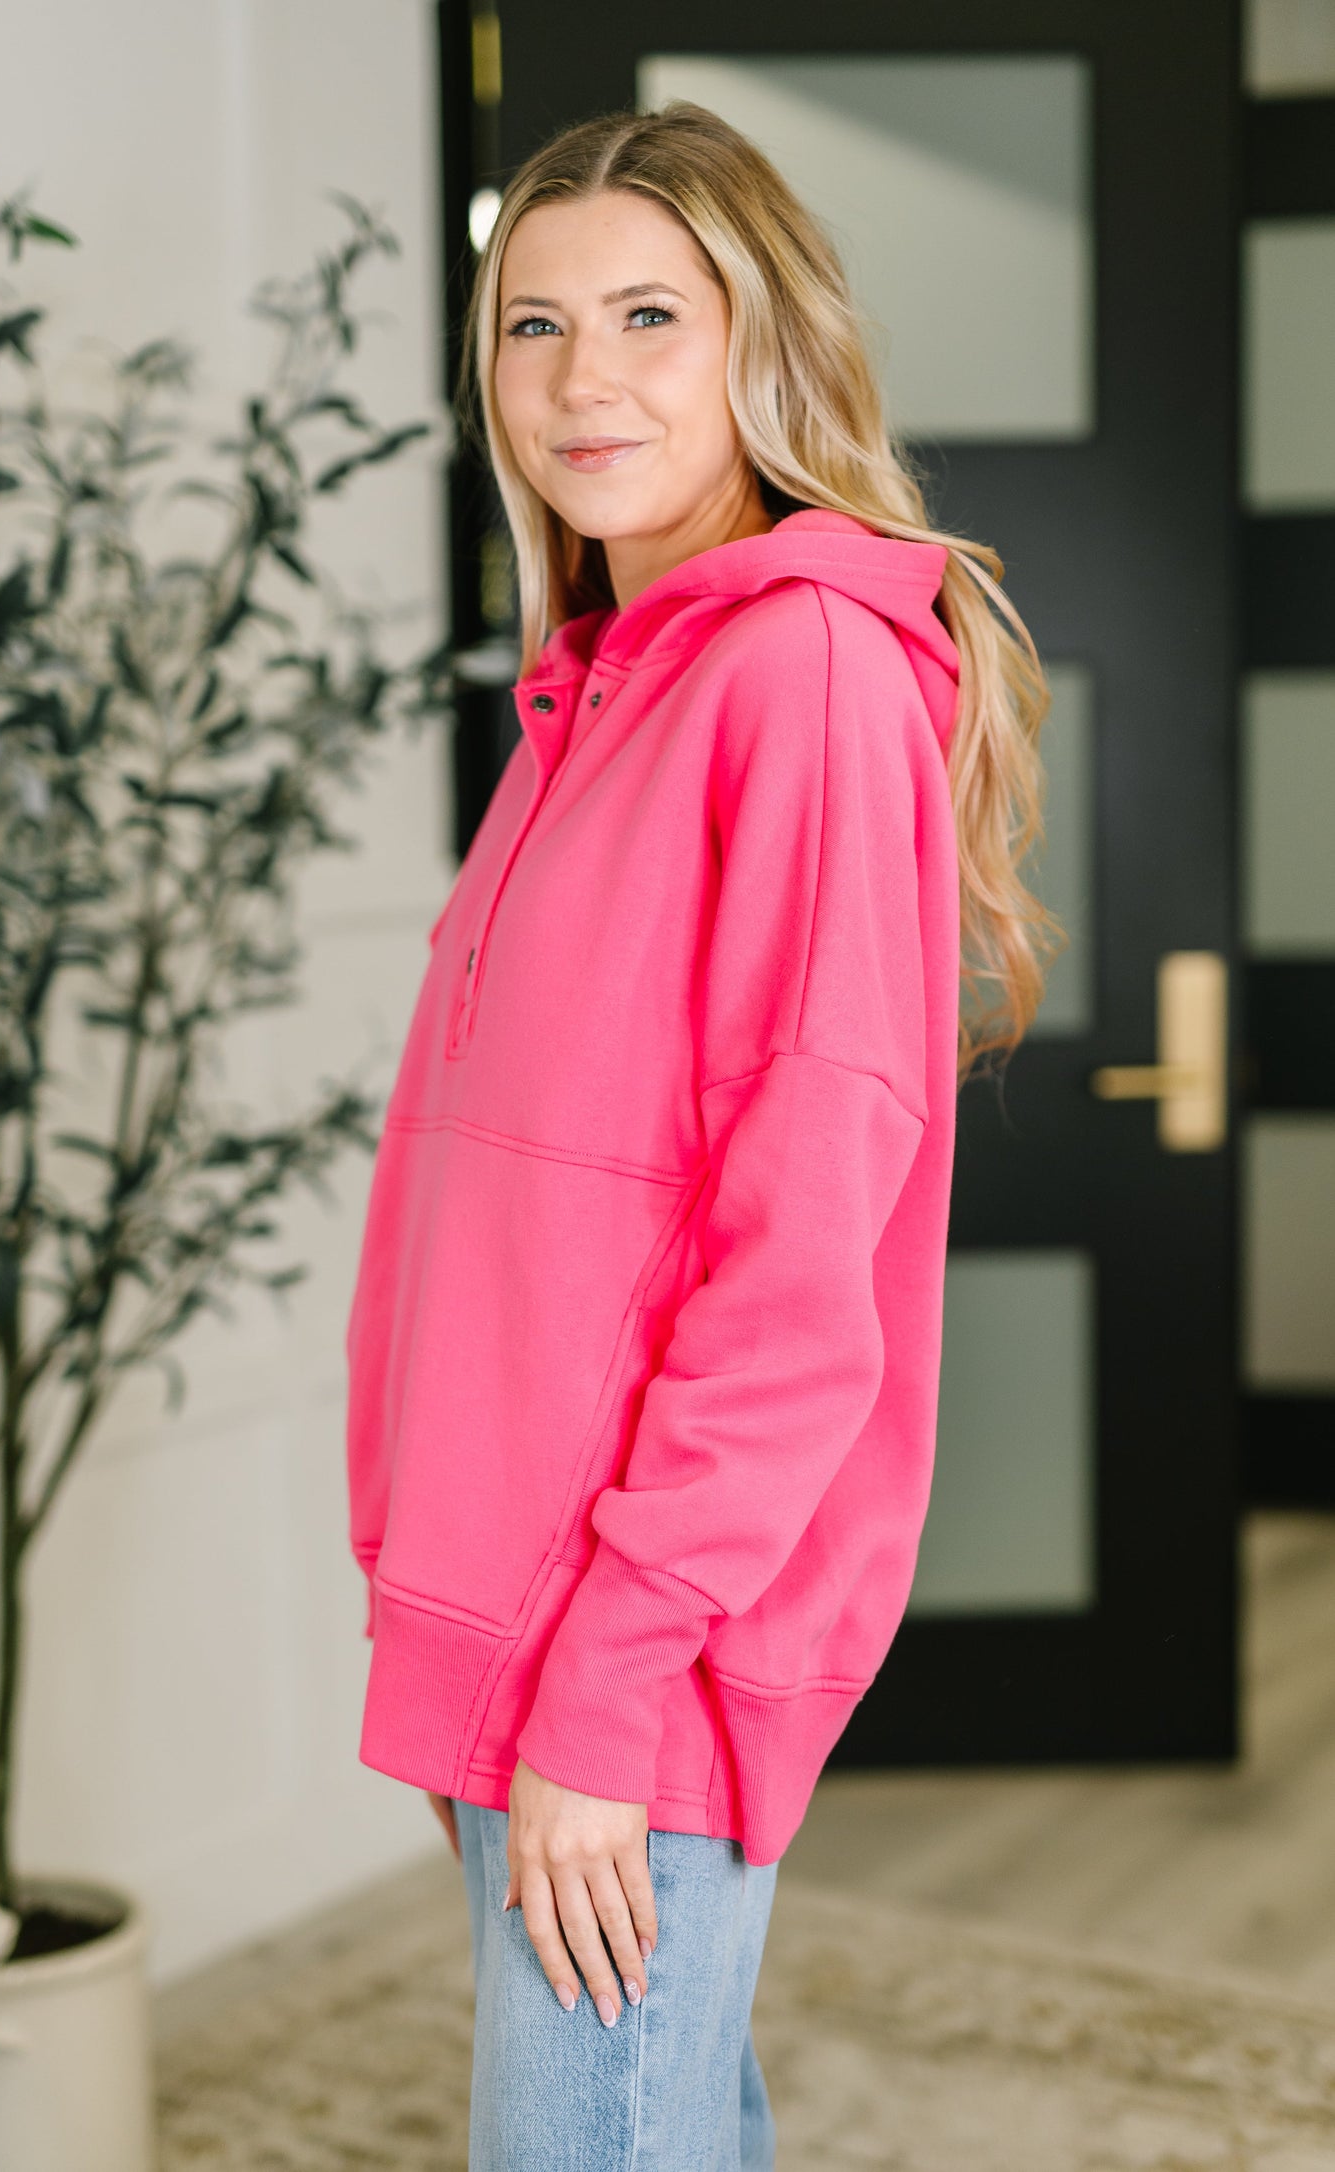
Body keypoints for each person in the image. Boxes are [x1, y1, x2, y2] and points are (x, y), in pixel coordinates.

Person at [343, 100, 1061, 2171]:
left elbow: (795, 1268)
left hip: (629, 1645)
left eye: (649, 315)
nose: (583, 379)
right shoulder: (590, 692)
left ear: (765, 341)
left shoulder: (801, 675)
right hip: (515, 1608)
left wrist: (604, 1686)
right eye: (534, 323)